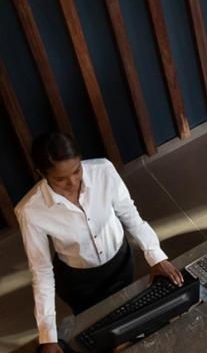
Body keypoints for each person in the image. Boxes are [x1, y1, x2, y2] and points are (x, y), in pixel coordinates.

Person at [15, 132, 183, 353]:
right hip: (80, 283)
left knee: (131, 316)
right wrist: (48, 336)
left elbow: (130, 215)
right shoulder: (30, 210)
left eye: (77, 171)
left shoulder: (103, 170)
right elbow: (41, 271)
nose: (73, 182)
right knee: (101, 335)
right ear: (42, 174)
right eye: (60, 178)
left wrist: (156, 257)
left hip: (121, 262)